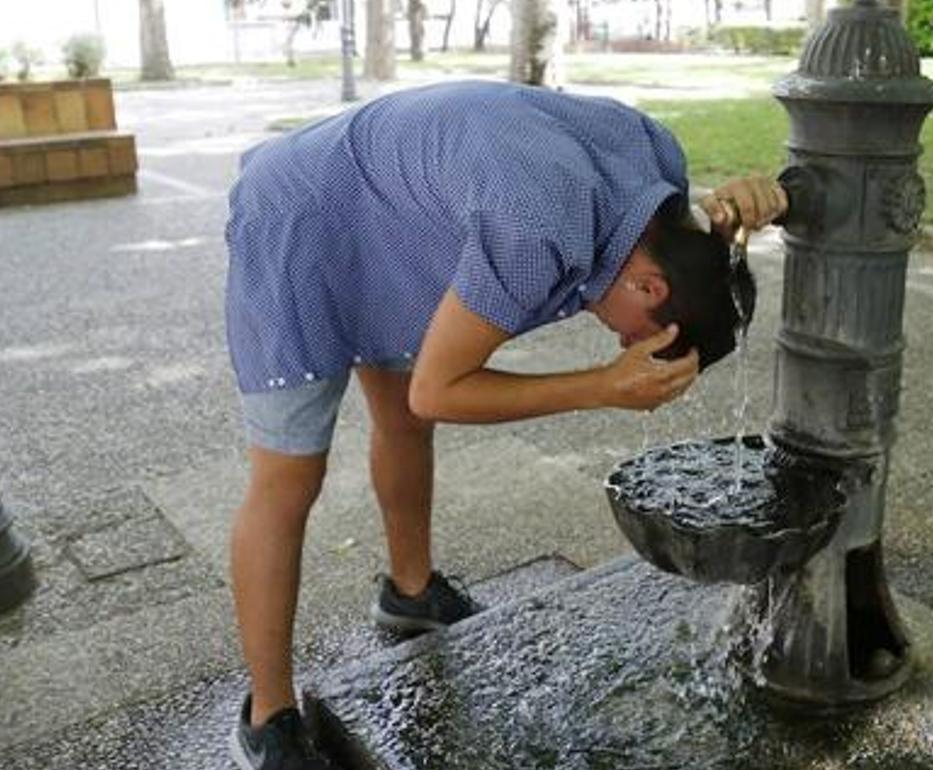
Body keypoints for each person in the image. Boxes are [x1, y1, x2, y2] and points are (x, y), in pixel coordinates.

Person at [223, 80, 787, 770]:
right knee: (289, 478)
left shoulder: (658, 173)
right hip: (300, 220)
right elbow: (441, 390)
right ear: (650, 288)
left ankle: (410, 594)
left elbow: (686, 253)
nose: (623, 345)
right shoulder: (536, 229)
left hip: (397, 217)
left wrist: (727, 234)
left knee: (400, 421)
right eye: (640, 339)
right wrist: (601, 388)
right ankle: (268, 715)